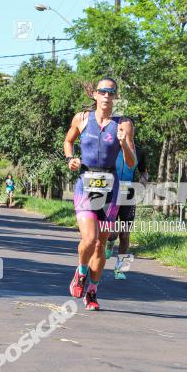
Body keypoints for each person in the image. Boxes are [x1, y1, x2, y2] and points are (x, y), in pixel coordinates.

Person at [64, 77, 136, 310]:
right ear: (95, 94)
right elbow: (68, 140)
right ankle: (81, 272)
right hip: (86, 183)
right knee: (89, 238)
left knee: (101, 244)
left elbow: (131, 161)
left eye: (111, 92)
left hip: (110, 186)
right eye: (103, 91)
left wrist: (124, 144)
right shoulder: (82, 118)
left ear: (115, 97)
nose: (107, 95)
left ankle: (92, 293)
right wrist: (70, 159)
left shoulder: (123, 124)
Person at [107, 145, 148, 279]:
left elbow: (144, 171)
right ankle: (110, 242)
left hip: (128, 192)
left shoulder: (139, 151)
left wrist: (143, 180)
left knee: (125, 234)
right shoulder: (110, 146)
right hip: (111, 191)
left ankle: (120, 269)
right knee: (110, 232)